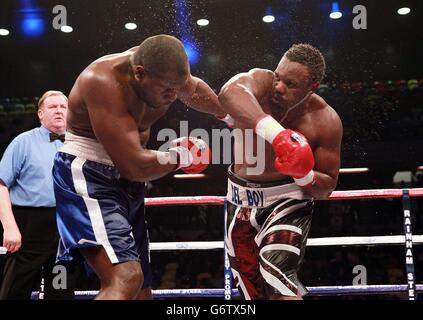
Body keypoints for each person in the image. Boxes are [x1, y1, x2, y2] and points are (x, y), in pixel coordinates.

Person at [53, 34, 226, 300]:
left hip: (127, 181)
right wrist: (180, 155)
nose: (173, 96)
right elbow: (133, 166)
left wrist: (227, 115)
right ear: (139, 73)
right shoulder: (102, 81)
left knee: (141, 288)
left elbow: (193, 89)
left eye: (177, 88)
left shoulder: (167, 72)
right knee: (126, 277)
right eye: (167, 89)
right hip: (89, 174)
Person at [218, 44, 343, 300]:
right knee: (251, 291)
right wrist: (277, 137)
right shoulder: (261, 83)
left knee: (276, 274)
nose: (279, 87)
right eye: (278, 76)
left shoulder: (325, 120)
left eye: (291, 84)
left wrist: (303, 174)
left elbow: (328, 185)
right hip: (239, 201)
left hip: (288, 201)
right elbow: (228, 93)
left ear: (312, 88)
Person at [0, 90, 76, 299]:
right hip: (29, 225)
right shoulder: (23, 142)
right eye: (52, 107)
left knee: (60, 289)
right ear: (40, 114)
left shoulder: (80, 144)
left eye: (63, 107)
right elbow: (0, 184)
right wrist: (9, 227)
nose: (59, 111)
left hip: (66, 227)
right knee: (15, 289)